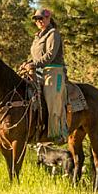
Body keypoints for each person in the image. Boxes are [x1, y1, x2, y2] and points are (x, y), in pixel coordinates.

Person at [21, 8, 68, 139]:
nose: (39, 21)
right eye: (37, 19)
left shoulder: (53, 34)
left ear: (48, 18)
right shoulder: (37, 37)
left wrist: (34, 64)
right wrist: (27, 63)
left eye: (42, 18)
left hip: (53, 71)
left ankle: (57, 133)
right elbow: (36, 57)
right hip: (39, 70)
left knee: (51, 97)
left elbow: (50, 55)